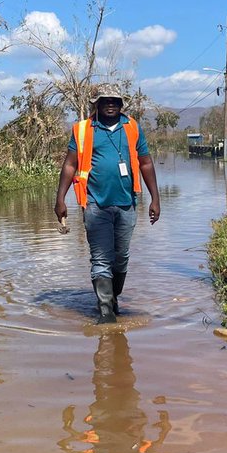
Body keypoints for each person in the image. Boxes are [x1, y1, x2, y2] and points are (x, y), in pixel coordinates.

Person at [54, 87, 160, 323]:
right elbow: (70, 164)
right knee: (101, 258)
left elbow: (146, 163)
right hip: (95, 204)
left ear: (121, 105)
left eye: (115, 101)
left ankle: (112, 298)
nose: (110, 105)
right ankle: (106, 313)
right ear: (97, 105)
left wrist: (155, 198)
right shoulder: (82, 130)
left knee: (121, 257)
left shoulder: (132, 128)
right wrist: (60, 198)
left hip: (126, 204)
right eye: (105, 101)